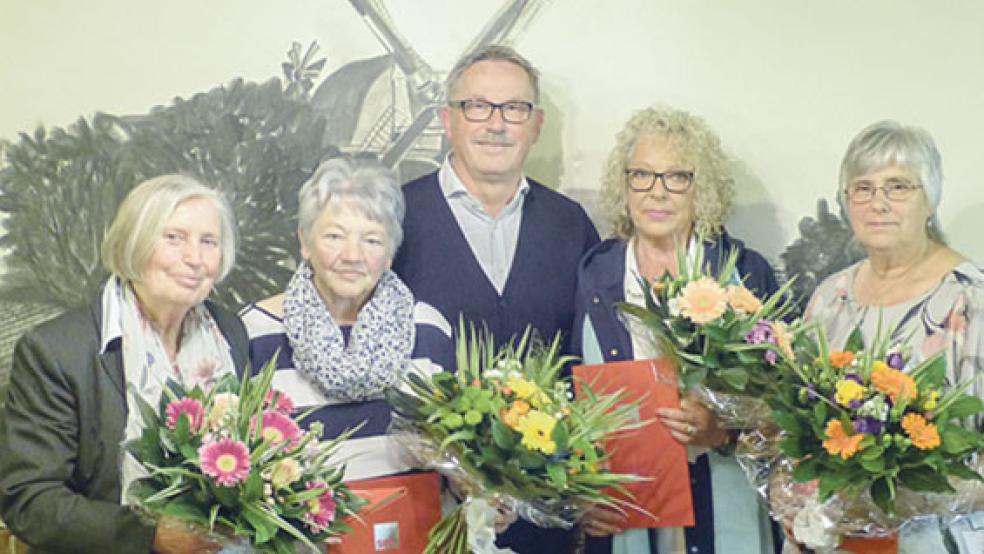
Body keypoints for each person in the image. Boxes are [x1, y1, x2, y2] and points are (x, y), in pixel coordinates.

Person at [392, 44, 599, 552]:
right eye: (477, 106)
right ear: (447, 120)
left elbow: (592, 360)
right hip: (427, 514)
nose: (496, 124)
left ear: (537, 125)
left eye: (514, 109)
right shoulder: (395, 219)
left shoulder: (570, 225)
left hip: (546, 515)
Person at [0, 175, 249, 554]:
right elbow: (29, 500)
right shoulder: (56, 351)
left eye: (209, 242)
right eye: (174, 238)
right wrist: (151, 535)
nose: (195, 259)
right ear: (135, 242)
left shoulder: (229, 333)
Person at [574, 106, 779, 554]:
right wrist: (579, 491)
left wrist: (722, 430)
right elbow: (568, 399)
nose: (657, 192)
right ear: (623, 184)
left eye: (677, 177)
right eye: (642, 175)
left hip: (723, 498)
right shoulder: (593, 275)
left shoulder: (745, 274)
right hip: (626, 506)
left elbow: (784, 407)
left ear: (701, 188)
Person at [803, 120, 984, 552]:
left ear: (930, 200)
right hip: (832, 540)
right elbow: (790, 419)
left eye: (898, 187)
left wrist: (906, 498)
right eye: (862, 188)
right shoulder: (830, 296)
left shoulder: (971, 300)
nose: (878, 203)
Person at [240, 156, 453, 481]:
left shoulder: (427, 328)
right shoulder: (254, 333)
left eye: (372, 240)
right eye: (335, 237)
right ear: (305, 241)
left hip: (412, 513)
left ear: (390, 253)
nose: (353, 256)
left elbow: (456, 463)